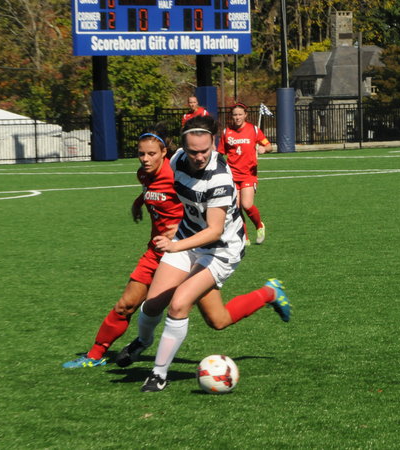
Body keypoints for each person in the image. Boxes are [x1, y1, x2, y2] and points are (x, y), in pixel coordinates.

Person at [113, 115, 290, 392]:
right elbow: (170, 192)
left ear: (213, 144)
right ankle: (143, 342)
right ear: (183, 147)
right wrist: (153, 209)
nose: (198, 157)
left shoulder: (219, 179)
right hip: (188, 237)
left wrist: (174, 245)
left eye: (205, 151)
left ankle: (158, 375)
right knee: (159, 306)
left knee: (178, 304)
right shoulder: (177, 160)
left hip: (220, 249)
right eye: (193, 151)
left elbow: (214, 231)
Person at [62, 124, 184, 369]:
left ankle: (265, 293)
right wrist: (138, 203)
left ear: (164, 153)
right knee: (125, 305)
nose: (145, 159)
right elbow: (151, 191)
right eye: (141, 154)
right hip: (155, 252)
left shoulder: (177, 175)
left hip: (185, 254)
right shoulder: (143, 174)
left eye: (151, 154)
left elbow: (206, 207)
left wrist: (180, 228)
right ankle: (95, 355)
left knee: (217, 318)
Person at [218, 103, 272, 245]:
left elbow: (269, 146)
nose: (237, 117)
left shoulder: (254, 130)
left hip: (248, 174)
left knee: (247, 205)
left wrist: (264, 149)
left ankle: (259, 225)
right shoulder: (226, 132)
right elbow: (220, 153)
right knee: (236, 207)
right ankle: (244, 237)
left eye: (240, 114)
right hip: (232, 175)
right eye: (235, 115)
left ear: (245, 115)